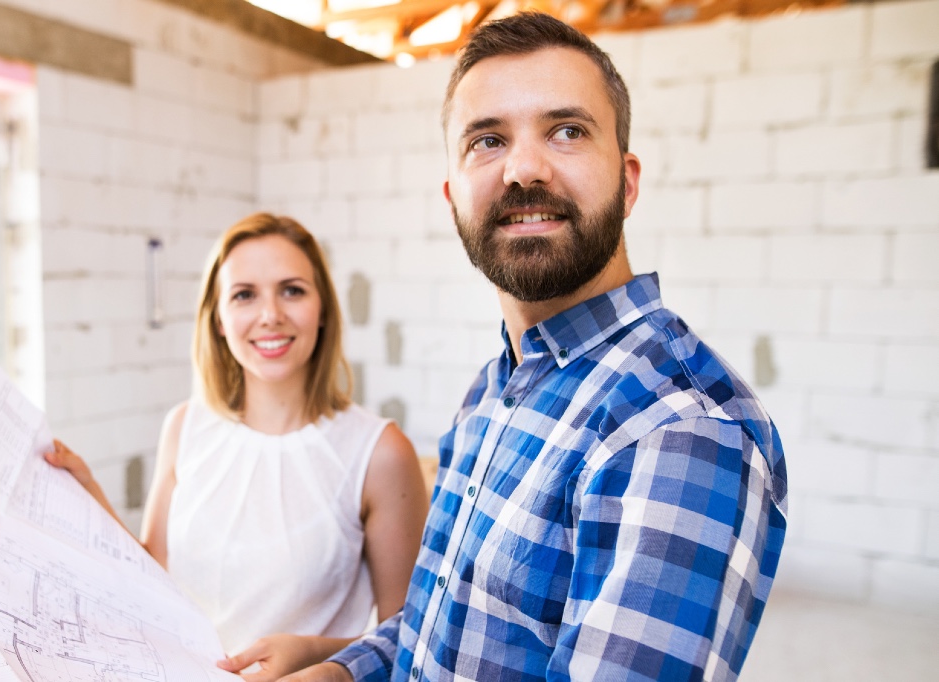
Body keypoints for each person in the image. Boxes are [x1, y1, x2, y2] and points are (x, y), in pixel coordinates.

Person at [286, 12, 788, 682]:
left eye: (567, 131)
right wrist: (344, 671)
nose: (524, 169)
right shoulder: (494, 388)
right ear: (453, 198)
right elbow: (447, 618)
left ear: (628, 182)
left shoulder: (678, 429)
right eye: (487, 141)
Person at [46, 213, 430, 681]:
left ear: (324, 309)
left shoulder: (380, 452)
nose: (270, 314)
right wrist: (91, 498)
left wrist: (311, 653)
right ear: (220, 320)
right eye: (245, 295)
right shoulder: (185, 426)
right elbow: (157, 581)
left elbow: (412, 639)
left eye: (292, 290)